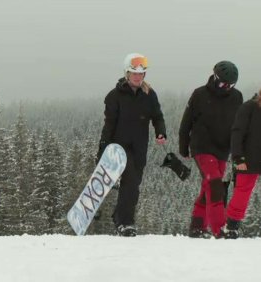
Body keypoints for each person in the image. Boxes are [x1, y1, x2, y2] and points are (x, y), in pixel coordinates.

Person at [97, 53, 166, 237]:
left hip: (140, 147)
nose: (138, 77)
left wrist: (161, 131)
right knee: (130, 182)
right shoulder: (114, 96)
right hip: (120, 148)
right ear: (127, 74)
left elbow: (157, 116)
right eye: (134, 74)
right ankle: (125, 223)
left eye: (141, 74)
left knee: (133, 186)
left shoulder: (149, 95)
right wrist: (103, 149)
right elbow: (109, 124)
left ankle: (120, 216)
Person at [179, 61, 243, 238]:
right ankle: (219, 229)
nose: (226, 88)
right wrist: (183, 147)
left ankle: (197, 227)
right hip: (202, 147)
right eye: (223, 83)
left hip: (223, 149)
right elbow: (186, 122)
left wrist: (239, 149)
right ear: (215, 78)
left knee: (209, 188)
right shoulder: (200, 94)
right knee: (215, 185)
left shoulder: (237, 97)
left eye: (230, 85)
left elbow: (239, 126)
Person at [222, 90, 261, 239]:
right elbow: (237, 133)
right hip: (249, 158)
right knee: (242, 193)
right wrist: (238, 157)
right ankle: (231, 226)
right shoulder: (249, 107)